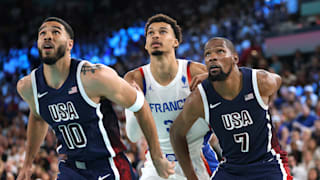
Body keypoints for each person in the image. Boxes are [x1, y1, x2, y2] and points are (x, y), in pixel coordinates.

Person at [16, 17, 174, 180]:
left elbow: (140, 106)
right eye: (42, 33)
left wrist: (157, 157)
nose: (47, 36)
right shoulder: (28, 87)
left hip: (109, 166)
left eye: (55, 32)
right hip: (71, 168)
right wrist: (27, 163)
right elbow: (37, 117)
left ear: (70, 44)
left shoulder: (95, 77)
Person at [170, 37, 293, 180]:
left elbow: (277, 81)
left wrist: (263, 104)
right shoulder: (200, 98)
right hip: (231, 168)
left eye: (220, 51)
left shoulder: (260, 81)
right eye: (208, 54)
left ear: (235, 58)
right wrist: (191, 176)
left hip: (267, 164)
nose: (213, 57)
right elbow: (176, 132)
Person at [124, 14, 219, 180]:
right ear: (146, 44)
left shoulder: (197, 72)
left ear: (175, 41)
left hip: (198, 160)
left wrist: (215, 80)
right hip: (157, 163)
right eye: (150, 33)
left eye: (162, 31)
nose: (155, 35)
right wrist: (136, 104)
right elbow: (133, 135)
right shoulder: (135, 78)